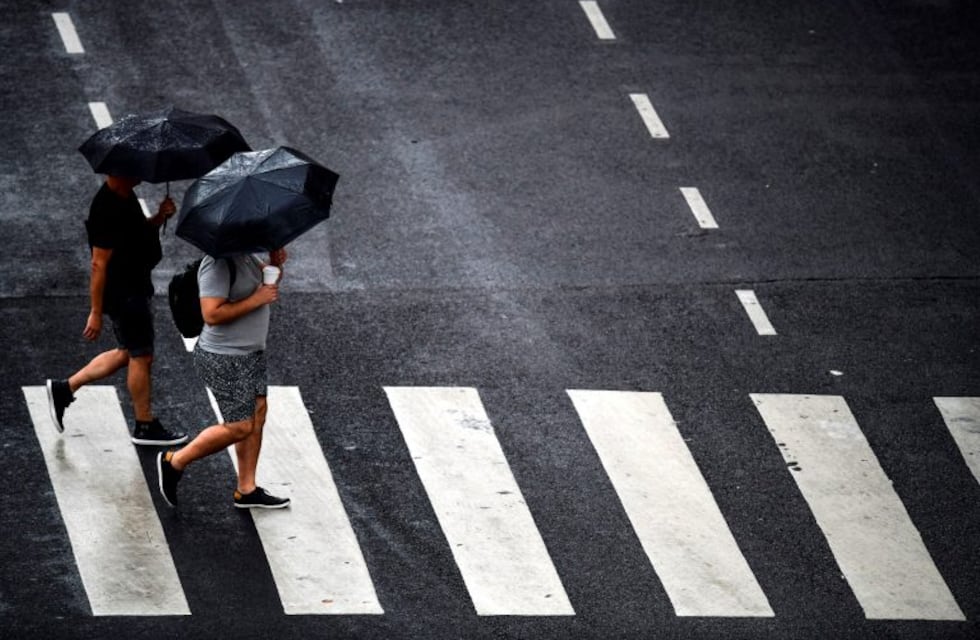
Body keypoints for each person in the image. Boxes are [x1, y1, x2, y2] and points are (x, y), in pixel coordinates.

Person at [45, 174, 187, 446]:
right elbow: (98, 264)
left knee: (127, 353)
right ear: (119, 173)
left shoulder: (124, 196)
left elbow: (135, 233)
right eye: (134, 170)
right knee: (141, 355)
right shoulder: (106, 209)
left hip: (133, 287)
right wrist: (95, 312)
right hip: (125, 294)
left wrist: (159, 217)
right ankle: (144, 424)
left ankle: (64, 389)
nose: (141, 174)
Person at [157, 247, 290, 510]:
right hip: (225, 357)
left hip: (249, 353)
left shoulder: (246, 256)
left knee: (258, 413)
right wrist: (257, 299)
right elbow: (212, 314)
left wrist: (276, 264)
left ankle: (247, 488)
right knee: (240, 426)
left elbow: (268, 282)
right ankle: (174, 461)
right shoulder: (217, 264)